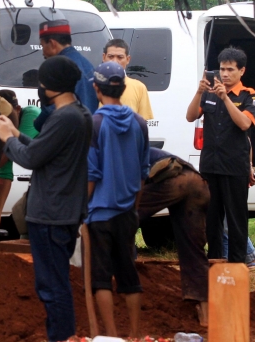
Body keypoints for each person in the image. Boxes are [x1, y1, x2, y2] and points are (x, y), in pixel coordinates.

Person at [0, 56, 92, 341]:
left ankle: (60, 337)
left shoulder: (64, 117)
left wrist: (6, 139)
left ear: (50, 85)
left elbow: (33, 158)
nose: (40, 86)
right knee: (55, 281)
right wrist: (15, 134)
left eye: (42, 81)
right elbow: (45, 149)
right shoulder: (79, 113)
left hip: (51, 212)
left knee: (52, 285)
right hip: (64, 209)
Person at [85, 61, 149, 338]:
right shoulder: (139, 123)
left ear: (97, 89)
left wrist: (80, 211)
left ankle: (110, 336)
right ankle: (135, 336)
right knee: (128, 276)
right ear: (123, 89)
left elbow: (91, 174)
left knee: (100, 279)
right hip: (127, 213)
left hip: (98, 213)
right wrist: (133, 208)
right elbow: (143, 172)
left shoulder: (94, 124)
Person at [186, 47, 255, 263]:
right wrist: (199, 92)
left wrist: (226, 98)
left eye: (230, 70)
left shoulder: (248, 95)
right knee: (212, 217)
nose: (225, 74)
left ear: (241, 71)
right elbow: (190, 117)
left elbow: (244, 123)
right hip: (210, 165)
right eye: (222, 69)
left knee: (236, 218)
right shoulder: (208, 93)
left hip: (234, 166)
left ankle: (237, 263)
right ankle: (215, 261)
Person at [138, 147, 209, 326]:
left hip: (171, 180)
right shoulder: (138, 146)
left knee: (122, 222)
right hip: (196, 182)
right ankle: (205, 312)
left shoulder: (107, 152)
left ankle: (123, 283)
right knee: (193, 249)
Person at [34, 19, 96, 131]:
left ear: (52, 43)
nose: (43, 52)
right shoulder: (88, 65)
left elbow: (54, 108)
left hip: (66, 136)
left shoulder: (60, 69)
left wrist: (38, 123)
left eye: (42, 46)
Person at [0, 89, 40, 230]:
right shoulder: (4, 126)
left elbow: (6, 158)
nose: (8, 121)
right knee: (21, 215)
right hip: (41, 172)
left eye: (10, 116)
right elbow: (5, 173)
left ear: (18, 109)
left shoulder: (31, 114)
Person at [102, 39, 154, 120]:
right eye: (111, 56)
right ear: (104, 57)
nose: (115, 61)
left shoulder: (139, 87)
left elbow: (142, 123)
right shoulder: (95, 85)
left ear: (128, 59)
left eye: (120, 57)